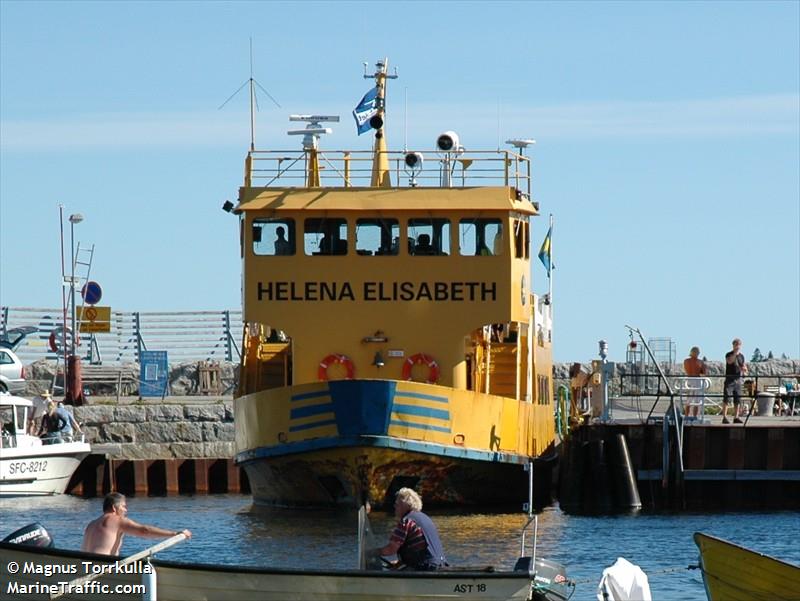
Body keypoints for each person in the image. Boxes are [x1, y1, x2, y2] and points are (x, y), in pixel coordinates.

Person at [82, 492, 192, 556]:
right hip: (101, 568)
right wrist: (174, 533)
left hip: (84, 567)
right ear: (114, 508)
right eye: (123, 506)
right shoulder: (116, 520)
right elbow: (144, 531)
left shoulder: (91, 524)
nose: (126, 510)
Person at [377, 487, 447, 571]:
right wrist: (400, 563)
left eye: (397, 504)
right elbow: (420, 547)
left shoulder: (406, 521)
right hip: (440, 564)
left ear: (405, 504)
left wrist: (372, 552)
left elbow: (391, 549)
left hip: (425, 568)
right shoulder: (425, 518)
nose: (394, 506)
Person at [722, 338, 747, 424]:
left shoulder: (742, 356)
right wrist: (735, 354)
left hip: (738, 379)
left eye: (739, 345)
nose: (737, 346)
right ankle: (724, 416)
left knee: (738, 399)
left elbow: (744, 366)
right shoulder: (729, 354)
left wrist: (744, 369)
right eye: (736, 344)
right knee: (727, 398)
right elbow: (729, 362)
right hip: (729, 379)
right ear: (733, 345)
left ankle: (736, 416)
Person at [683, 346, 707, 418]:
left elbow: (703, 373)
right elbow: (704, 373)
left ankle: (691, 416)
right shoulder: (698, 362)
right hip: (695, 380)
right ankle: (691, 416)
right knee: (693, 400)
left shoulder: (687, 361)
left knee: (692, 400)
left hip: (692, 379)